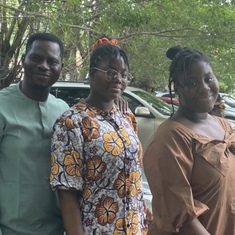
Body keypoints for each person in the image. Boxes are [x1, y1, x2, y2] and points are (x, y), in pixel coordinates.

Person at [50, 36, 150, 234]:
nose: (118, 79)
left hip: (134, 228)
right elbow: (67, 193)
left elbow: (133, 178)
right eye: (111, 72)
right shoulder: (72, 122)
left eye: (123, 74)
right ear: (93, 74)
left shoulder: (127, 116)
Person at [143, 46, 235, 235]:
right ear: (177, 90)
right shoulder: (170, 138)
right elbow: (182, 218)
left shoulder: (224, 126)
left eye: (208, 78)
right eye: (192, 83)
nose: (204, 88)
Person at [0, 32, 69, 235]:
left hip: (56, 229)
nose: (43, 66)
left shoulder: (64, 111)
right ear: (23, 60)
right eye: (36, 58)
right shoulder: (2, 105)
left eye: (52, 61)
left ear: (60, 68)